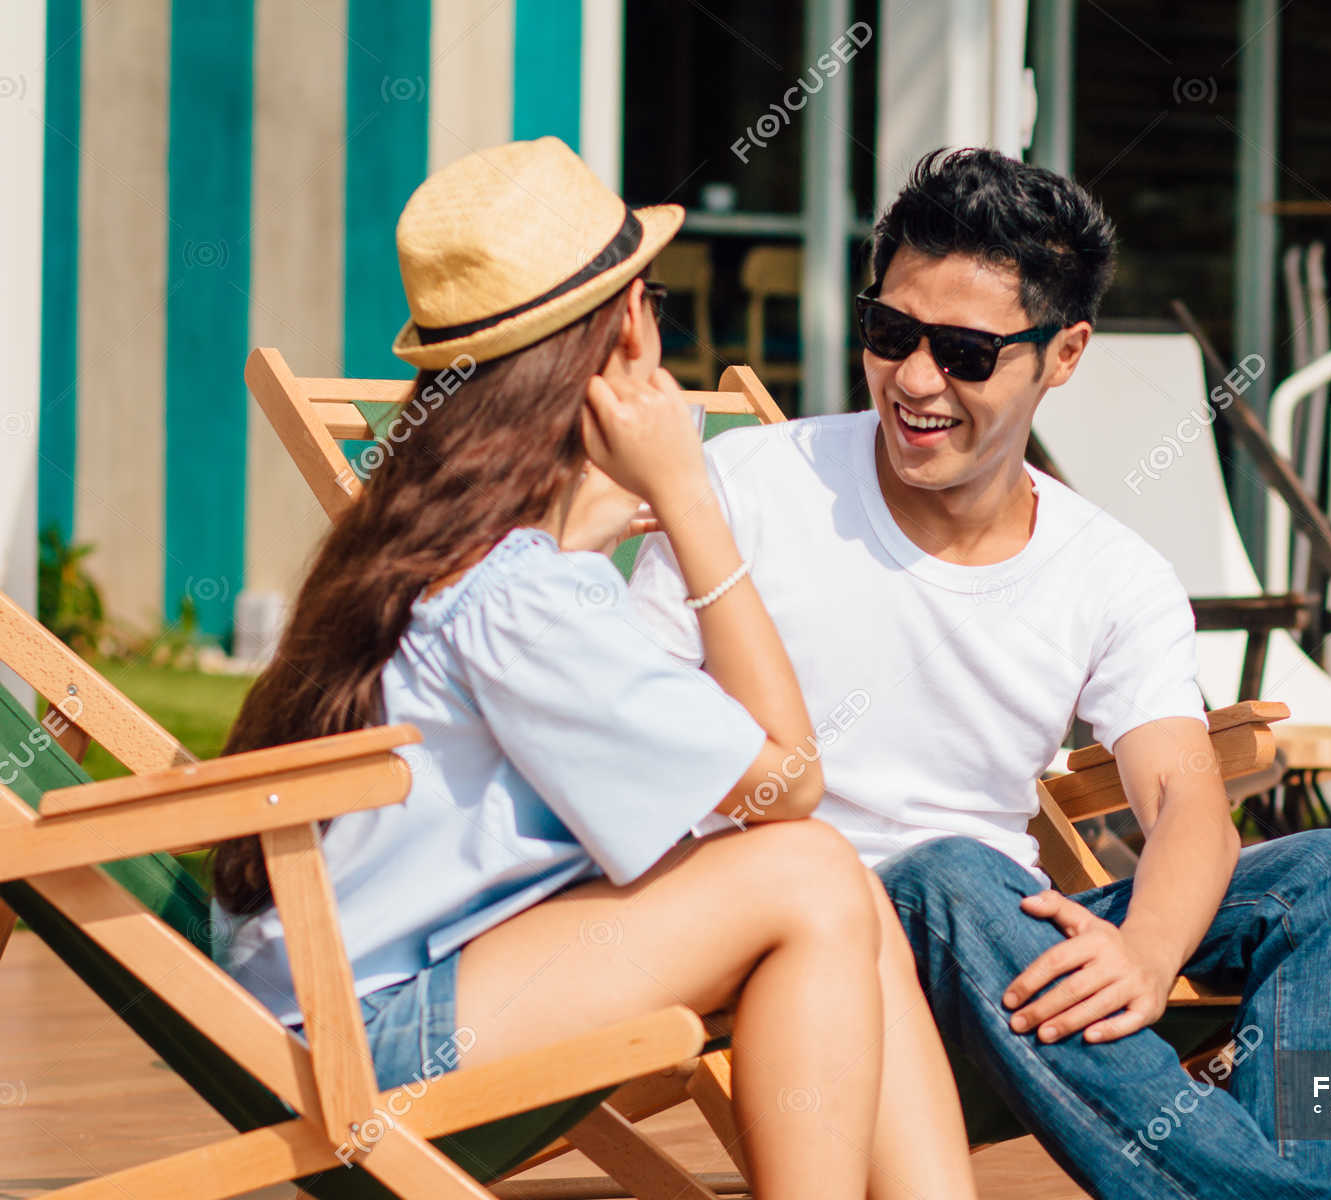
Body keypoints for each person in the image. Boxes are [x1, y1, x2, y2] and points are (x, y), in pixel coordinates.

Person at [629, 147, 1331, 1200]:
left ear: (1065, 354)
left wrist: (1143, 952)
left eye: (963, 352)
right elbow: (633, 739)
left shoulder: (1108, 569)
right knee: (954, 873)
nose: (914, 380)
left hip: (1006, 967)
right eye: (890, 333)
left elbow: (1185, 798)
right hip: (807, 951)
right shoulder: (745, 490)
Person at [208, 137, 978, 1200]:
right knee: (806, 870)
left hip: (340, 996)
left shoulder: (442, 539)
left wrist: (583, 534)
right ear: (622, 331)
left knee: (836, 885)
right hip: (361, 1039)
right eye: (650, 295)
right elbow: (784, 782)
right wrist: (693, 503)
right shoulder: (517, 594)